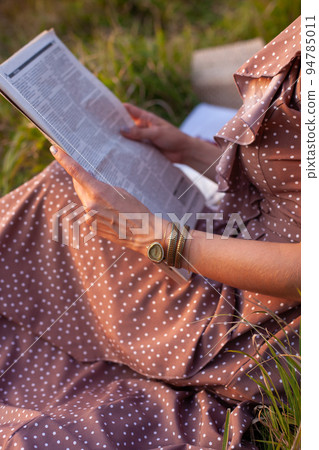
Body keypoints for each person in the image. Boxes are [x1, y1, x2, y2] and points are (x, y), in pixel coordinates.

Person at [0, 16, 300, 449]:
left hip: (261, 311)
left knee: (72, 210)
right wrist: (190, 150)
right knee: (66, 184)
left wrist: (153, 238)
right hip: (234, 232)